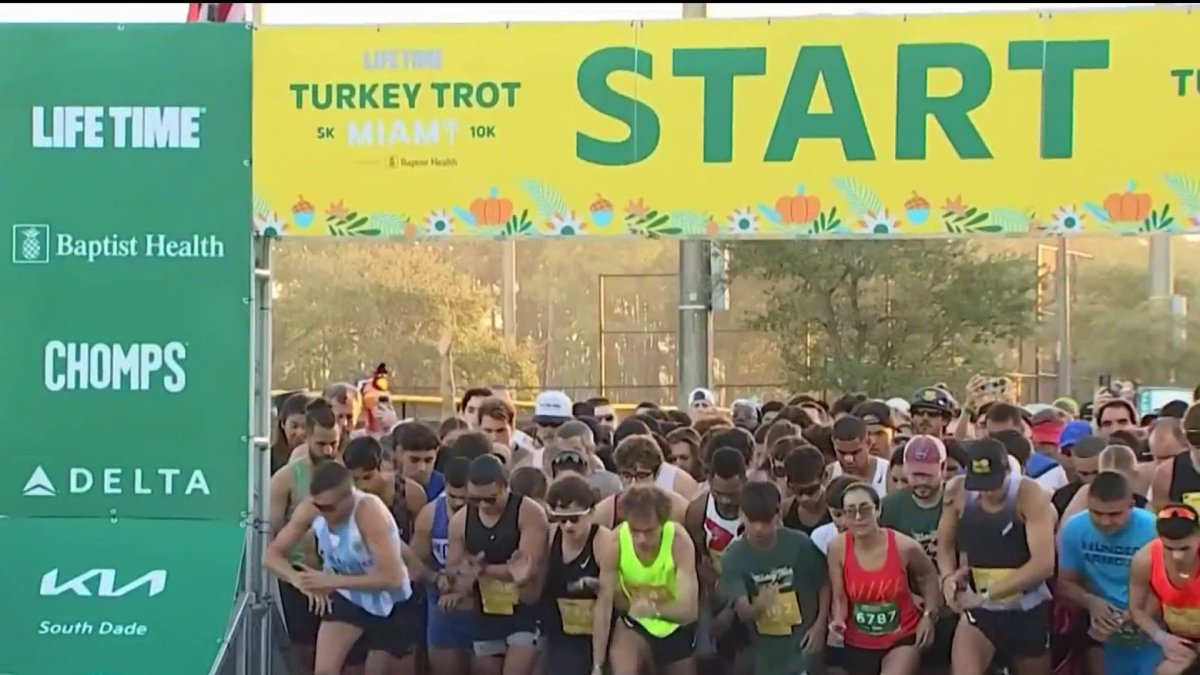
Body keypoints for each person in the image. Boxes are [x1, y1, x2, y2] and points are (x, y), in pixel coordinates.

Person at [265, 462, 414, 675]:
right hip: (348, 596)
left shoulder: (369, 512)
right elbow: (272, 555)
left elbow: (394, 577)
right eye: (318, 506)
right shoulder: (311, 509)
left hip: (390, 600)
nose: (322, 513)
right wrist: (299, 581)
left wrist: (331, 581)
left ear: (349, 498)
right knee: (324, 670)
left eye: (329, 508)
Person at [936, 438, 1056, 675]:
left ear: (1008, 472)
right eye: (979, 485)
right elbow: (945, 544)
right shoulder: (957, 491)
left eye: (993, 484)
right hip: (979, 609)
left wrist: (988, 595)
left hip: (1024, 608)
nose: (987, 492)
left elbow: (1044, 564)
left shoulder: (1029, 494)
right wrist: (948, 578)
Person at [445, 454, 548, 675]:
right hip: (486, 612)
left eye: (490, 499)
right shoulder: (460, 520)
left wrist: (480, 570)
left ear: (505, 487)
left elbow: (526, 567)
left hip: (525, 610)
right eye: (474, 499)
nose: (483, 505)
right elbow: (453, 568)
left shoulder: (528, 513)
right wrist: (460, 576)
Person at [827, 483, 939, 675]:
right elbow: (840, 596)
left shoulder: (905, 546)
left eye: (865, 509)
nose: (858, 517)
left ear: (878, 510)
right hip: (858, 643)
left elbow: (928, 577)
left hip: (902, 637)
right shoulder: (837, 548)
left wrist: (929, 616)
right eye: (851, 511)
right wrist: (838, 620)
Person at [720, 481, 830, 675]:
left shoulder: (799, 544)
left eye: (766, 521)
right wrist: (758, 605)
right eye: (752, 521)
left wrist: (820, 627)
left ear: (778, 516)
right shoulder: (734, 556)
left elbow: (824, 583)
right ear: (741, 515)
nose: (759, 529)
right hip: (767, 652)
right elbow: (743, 610)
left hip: (805, 643)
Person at [1056, 471, 1159, 675]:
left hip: (1150, 625)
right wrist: (1091, 602)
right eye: (1096, 513)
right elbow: (1065, 583)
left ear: (1131, 505)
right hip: (1102, 629)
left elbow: (1170, 584)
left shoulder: (1152, 528)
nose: (1104, 521)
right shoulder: (1075, 528)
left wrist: (1141, 615)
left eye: (1114, 514)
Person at [267, 400, 340, 675]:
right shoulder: (286, 479)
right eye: (321, 444)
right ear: (307, 436)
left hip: (338, 580)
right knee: (302, 656)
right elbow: (272, 543)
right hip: (299, 580)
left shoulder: (345, 474)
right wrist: (297, 580)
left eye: (334, 443)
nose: (329, 451)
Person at [600, 484, 700, 675]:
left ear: (662, 523)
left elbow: (689, 611)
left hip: (675, 627)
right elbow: (604, 606)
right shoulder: (615, 542)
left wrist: (653, 610)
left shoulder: (679, 541)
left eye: (648, 531)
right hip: (634, 624)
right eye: (635, 531)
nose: (641, 540)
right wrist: (597, 665)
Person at [880, 435, 955, 671]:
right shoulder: (890, 507)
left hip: (953, 607)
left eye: (927, 475)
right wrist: (908, 596)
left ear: (943, 469)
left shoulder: (957, 501)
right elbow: (880, 560)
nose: (920, 482)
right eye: (915, 475)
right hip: (908, 609)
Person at [541, 474, 615, 675]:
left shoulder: (603, 542)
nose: (568, 526)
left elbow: (605, 607)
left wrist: (598, 665)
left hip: (598, 629)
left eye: (575, 519)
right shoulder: (549, 536)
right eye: (561, 519)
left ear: (591, 512)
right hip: (560, 629)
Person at [684, 448, 748, 671]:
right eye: (719, 493)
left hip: (750, 589)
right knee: (706, 655)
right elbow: (697, 560)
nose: (726, 500)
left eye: (732, 494)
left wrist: (734, 605)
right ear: (709, 480)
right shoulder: (698, 510)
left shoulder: (755, 507)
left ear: (745, 479)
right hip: (714, 588)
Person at [411, 456, 474, 675]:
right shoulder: (430, 515)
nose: (457, 503)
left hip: (482, 610)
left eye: (465, 499)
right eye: (452, 497)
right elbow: (414, 563)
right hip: (443, 611)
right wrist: (435, 578)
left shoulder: (488, 514)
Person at [1129, 503, 1200, 675]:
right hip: (1177, 638)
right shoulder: (1144, 559)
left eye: (1185, 548)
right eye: (1169, 548)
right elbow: (1136, 609)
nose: (1177, 556)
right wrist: (1161, 637)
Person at [594, 435, 689, 527]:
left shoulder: (678, 509)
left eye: (642, 476)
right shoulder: (605, 513)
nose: (633, 484)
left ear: (657, 474)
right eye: (627, 476)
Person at [828, 416, 889, 496]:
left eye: (855, 452)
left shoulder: (888, 473)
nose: (849, 459)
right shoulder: (829, 474)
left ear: (868, 443)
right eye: (842, 453)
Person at [781, 445, 832, 535]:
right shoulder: (784, 513)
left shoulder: (837, 512)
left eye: (810, 490)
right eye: (797, 491)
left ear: (825, 476)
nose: (804, 498)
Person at [392, 421, 445, 501]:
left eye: (428, 460)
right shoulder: (385, 487)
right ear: (398, 453)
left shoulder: (444, 488)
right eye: (414, 460)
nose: (422, 468)